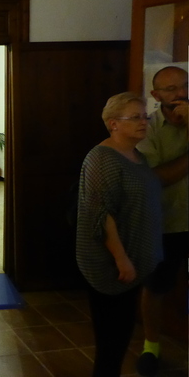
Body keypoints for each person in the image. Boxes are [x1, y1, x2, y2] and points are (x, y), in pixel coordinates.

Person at [76, 92, 163, 377]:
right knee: (111, 342)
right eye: (135, 117)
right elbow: (100, 215)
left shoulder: (137, 156)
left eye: (145, 116)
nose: (143, 122)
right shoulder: (103, 158)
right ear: (113, 123)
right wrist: (121, 259)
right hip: (111, 263)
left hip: (133, 255)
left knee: (121, 336)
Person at [135, 66, 188, 376]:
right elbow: (155, 178)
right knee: (155, 286)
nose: (180, 93)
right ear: (156, 95)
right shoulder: (148, 128)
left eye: (185, 86)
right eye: (170, 89)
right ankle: (151, 346)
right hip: (166, 222)